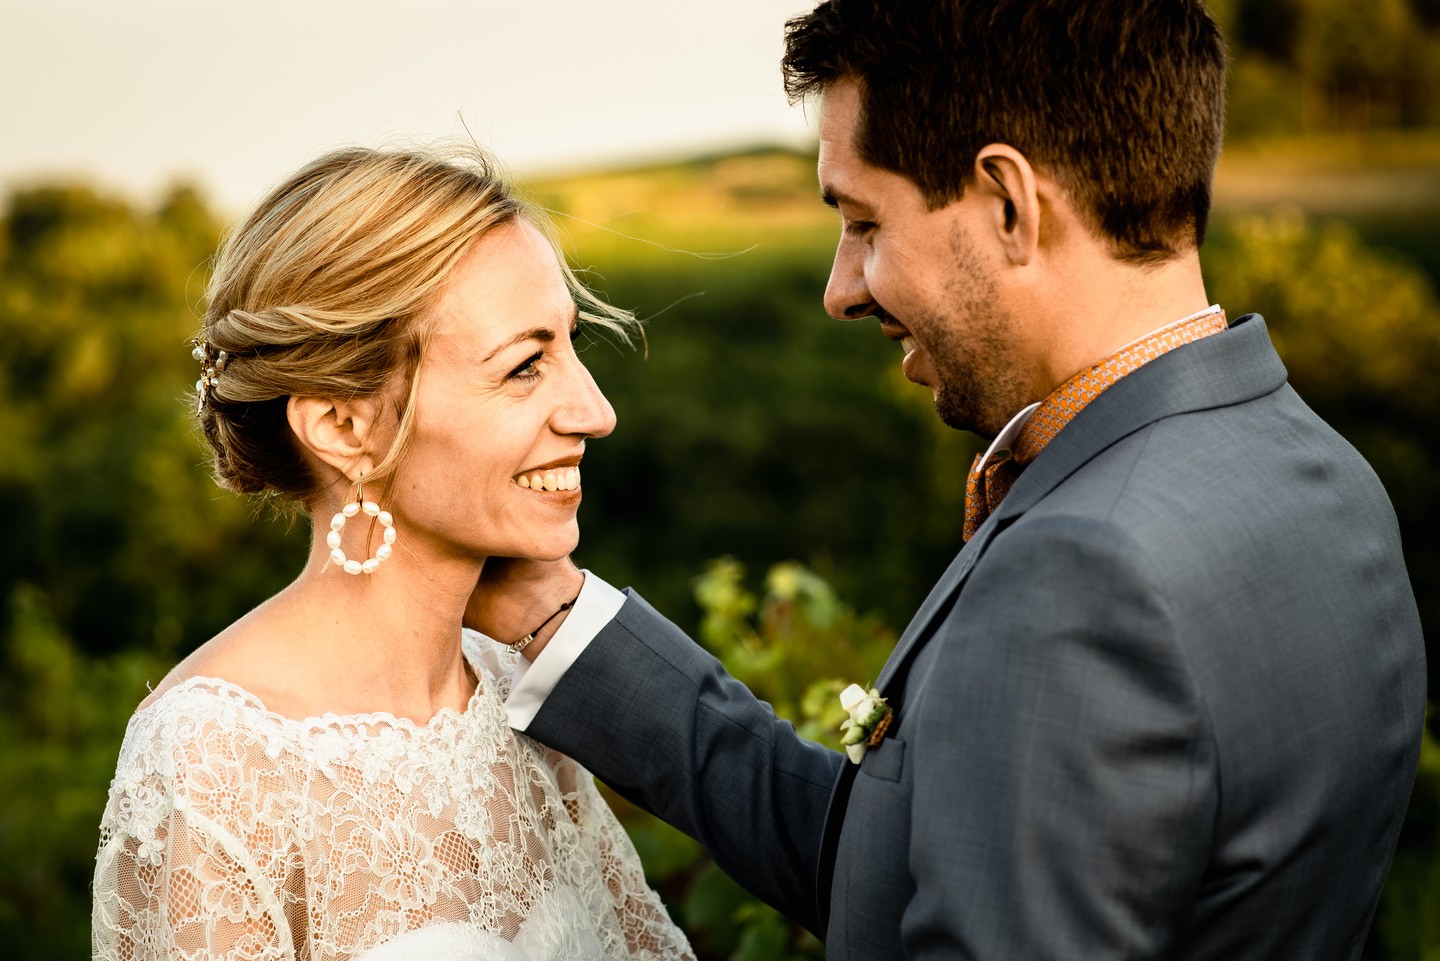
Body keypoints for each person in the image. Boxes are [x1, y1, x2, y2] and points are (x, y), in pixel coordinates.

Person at [468, 2, 1428, 958]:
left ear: (1009, 206)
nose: (842, 289)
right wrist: (563, 625)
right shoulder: (1324, 476)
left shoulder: (1083, 579)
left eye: (864, 223)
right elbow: (914, 869)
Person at [91, 145, 695, 961]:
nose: (596, 410)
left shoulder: (518, 692)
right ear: (344, 427)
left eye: (570, 345)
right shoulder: (215, 763)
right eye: (526, 365)